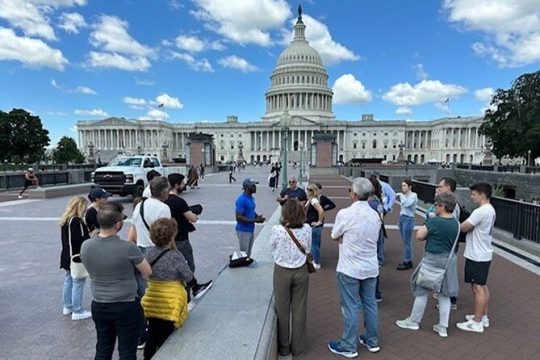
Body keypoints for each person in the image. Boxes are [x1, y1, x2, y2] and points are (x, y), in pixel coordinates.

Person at [81, 202, 152, 360]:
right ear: (118, 224)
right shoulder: (128, 248)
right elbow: (147, 272)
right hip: (126, 304)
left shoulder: (86, 246)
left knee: (103, 349)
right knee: (127, 351)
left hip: (99, 304)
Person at [328, 178, 381, 358]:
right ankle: (372, 340)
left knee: (350, 306)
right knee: (370, 304)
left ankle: (349, 345)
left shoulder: (345, 214)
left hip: (350, 266)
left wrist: (343, 237)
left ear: (355, 194)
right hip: (370, 266)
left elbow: (335, 235)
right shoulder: (375, 214)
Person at [395, 193, 460, 338]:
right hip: (448, 263)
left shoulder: (435, 222)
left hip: (431, 261)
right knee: (444, 295)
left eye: (437, 205)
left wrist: (427, 222)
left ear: (442, 206)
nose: (435, 207)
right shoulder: (456, 223)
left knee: (421, 291)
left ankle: (414, 321)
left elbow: (419, 235)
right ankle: (443, 327)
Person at [142, 218, 194, 359]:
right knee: (167, 338)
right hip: (170, 303)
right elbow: (189, 277)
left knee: (152, 335)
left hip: (152, 299)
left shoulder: (148, 252)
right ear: (172, 237)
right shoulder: (175, 256)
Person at [129, 176, 171, 349]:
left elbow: (134, 230)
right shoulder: (164, 208)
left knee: (143, 294)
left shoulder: (139, 205)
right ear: (164, 192)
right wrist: (173, 252)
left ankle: (141, 333)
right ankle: (158, 329)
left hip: (140, 252)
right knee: (160, 290)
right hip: (157, 251)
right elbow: (167, 234)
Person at [270, 199, 312, 357]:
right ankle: (299, 347)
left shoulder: (277, 230)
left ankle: (284, 347)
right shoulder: (307, 228)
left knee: (282, 310)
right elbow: (307, 248)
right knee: (299, 309)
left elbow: (271, 248)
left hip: (282, 270)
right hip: (301, 271)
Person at [165, 173, 213, 300]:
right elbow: (193, 218)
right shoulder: (179, 201)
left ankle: (177, 293)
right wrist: (194, 215)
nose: (184, 184)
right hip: (181, 239)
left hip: (166, 240)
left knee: (172, 266)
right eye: (182, 183)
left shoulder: (163, 200)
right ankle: (187, 294)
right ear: (176, 185)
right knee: (188, 267)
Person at [456, 183, 496, 333]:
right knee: (482, 286)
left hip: (477, 254)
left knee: (477, 287)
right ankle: (483, 317)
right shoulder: (490, 210)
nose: (471, 197)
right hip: (484, 253)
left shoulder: (481, 211)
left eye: (473, 194)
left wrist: (452, 224)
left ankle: (477, 322)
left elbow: (464, 227)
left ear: (482, 195)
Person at [427, 177, 461, 310]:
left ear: (448, 188)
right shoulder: (446, 202)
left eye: (439, 186)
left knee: (448, 271)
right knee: (445, 270)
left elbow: (449, 223)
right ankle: (444, 294)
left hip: (448, 244)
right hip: (447, 242)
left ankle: (451, 300)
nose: (437, 189)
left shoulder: (453, 205)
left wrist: (434, 219)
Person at [59, 196, 92, 320]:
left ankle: (67, 306)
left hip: (66, 255)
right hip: (76, 257)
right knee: (78, 281)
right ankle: (77, 310)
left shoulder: (65, 220)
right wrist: (90, 237)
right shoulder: (76, 221)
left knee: (68, 280)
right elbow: (78, 240)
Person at [235, 178, 265, 257]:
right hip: (243, 230)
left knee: (248, 253)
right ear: (247, 188)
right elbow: (239, 217)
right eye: (253, 185)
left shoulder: (251, 198)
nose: (255, 187)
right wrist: (256, 220)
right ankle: (243, 268)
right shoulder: (241, 200)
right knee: (244, 254)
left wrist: (257, 216)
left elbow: (250, 210)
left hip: (250, 229)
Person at [368, 177, 385, 302]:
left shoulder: (369, 204)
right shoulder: (378, 202)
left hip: (368, 236)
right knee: (375, 263)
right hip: (378, 234)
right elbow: (381, 219)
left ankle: (371, 292)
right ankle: (376, 293)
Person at [396, 179, 418, 270]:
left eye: (404, 186)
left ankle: (408, 261)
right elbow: (403, 209)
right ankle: (408, 259)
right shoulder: (404, 195)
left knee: (406, 241)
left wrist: (400, 195)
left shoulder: (413, 195)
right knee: (405, 241)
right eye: (402, 186)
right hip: (402, 218)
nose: (403, 188)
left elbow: (407, 204)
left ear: (410, 187)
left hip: (409, 219)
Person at [305, 183, 324, 270]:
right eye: (307, 189)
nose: (308, 191)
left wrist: (319, 222)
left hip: (314, 226)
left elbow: (321, 210)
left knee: (314, 245)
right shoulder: (312, 199)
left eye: (310, 190)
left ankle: (316, 262)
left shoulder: (314, 200)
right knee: (316, 244)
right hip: (313, 225)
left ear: (313, 191)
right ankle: (316, 260)